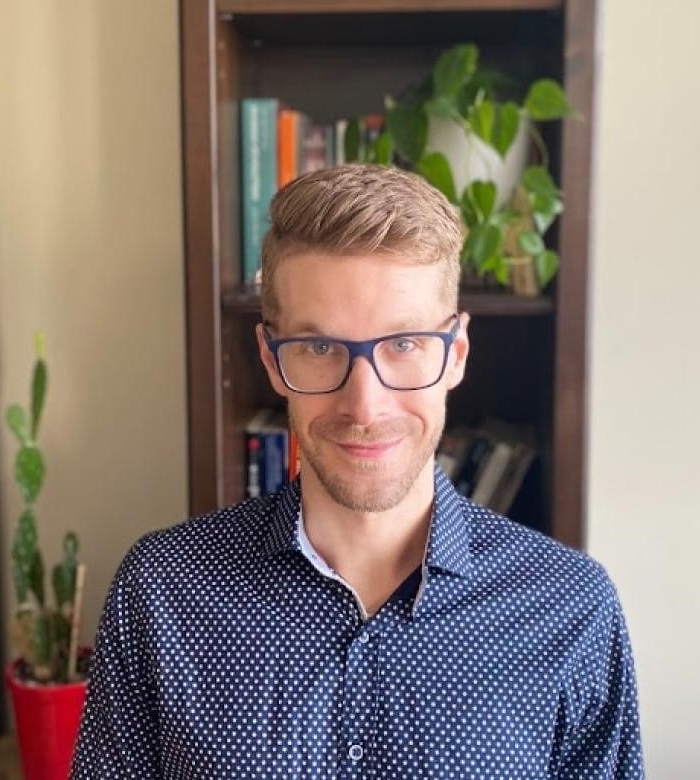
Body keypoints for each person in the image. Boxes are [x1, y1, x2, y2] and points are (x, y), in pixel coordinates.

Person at [71, 164, 644, 778]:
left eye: (403, 344)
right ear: (270, 358)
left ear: (455, 354)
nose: (364, 406)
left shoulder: (570, 607)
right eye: (319, 349)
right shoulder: (162, 594)